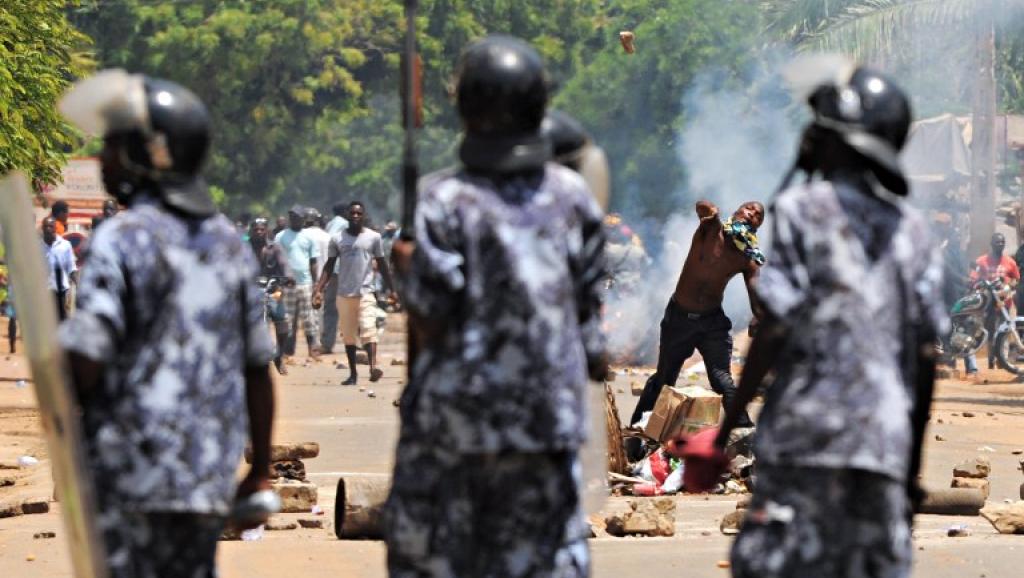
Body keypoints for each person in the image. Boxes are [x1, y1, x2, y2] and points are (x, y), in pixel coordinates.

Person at [384, 35, 604, 577]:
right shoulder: (575, 198)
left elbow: (433, 319)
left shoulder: (443, 199)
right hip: (546, 425)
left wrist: (406, 266)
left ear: (466, 110)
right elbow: (588, 329)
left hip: (457, 428)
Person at [713, 64, 945, 578]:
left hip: (805, 441)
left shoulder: (801, 209)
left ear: (830, 140)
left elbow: (775, 326)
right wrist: (908, 473)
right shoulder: (912, 229)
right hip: (883, 448)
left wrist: (725, 430)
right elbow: (926, 356)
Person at [57, 69, 276, 578]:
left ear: (150, 153)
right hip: (206, 474)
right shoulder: (227, 243)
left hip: (128, 471)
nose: (105, 159)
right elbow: (257, 370)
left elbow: (88, 355)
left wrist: (61, 371)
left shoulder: (121, 238)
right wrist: (261, 470)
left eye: (113, 145)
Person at [628, 200, 763, 428]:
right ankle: (636, 434)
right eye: (749, 208)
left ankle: (744, 435)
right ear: (736, 212)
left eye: (758, 215)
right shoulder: (711, 230)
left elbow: (756, 295)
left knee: (723, 381)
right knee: (664, 380)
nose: (752, 214)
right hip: (679, 318)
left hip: (712, 323)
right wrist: (710, 212)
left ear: (758, 226)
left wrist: (759, 316)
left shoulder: (748, 258)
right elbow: (702, 206)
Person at [313, 201, 394, 384]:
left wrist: (392, 290)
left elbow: (382, 264)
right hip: (344, 294)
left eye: (359, 213)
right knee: (349, 335)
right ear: (347, 216)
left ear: (363, 215)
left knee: (368, 329)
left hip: (365, 291)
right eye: (353, 213)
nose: (356, 216)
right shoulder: (337, 239)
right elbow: (329, 266)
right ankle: (353, 374)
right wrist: (318, 289)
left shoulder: (374, 238)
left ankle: (373, 367)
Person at [965, 232, 1020, 375]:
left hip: (1004, 303)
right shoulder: (982, 261)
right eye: (997, 242)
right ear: (991, 244)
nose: (1000, 245)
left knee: (1005, 330)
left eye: (1002, 242)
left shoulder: (1010, 262)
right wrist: (978, 285)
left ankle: (1002, 361)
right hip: (987, 303)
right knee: (990, 331)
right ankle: (990, 360)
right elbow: (973, 278)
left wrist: (1009, 287)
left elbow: (1016, 278)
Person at [275, 205, 321, 362]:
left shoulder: (309, 237)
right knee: (288, 319)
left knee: (309, 318)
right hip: (287, 285)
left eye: (299, 217)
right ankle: (287, 352)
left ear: (303, 219)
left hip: (306, 283)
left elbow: (313, 261)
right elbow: (276, 260)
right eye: (293, 217)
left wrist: (316, 284)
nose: (296, 220)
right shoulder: (281, 237)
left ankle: (313, 350)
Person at [250, 217, 292, 375]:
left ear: (267, 230)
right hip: (251, 289)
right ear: (251, 231)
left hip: (272, 287)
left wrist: (287, 277)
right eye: (256, 229)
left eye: (262, 229)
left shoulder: (274, 248)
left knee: (281, 321)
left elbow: (284, 265)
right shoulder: (245, 247)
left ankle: (279, 356)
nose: (259, 232)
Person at [302, 208, 335, 353]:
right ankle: (325, 341)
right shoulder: (327, 236)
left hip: (308, 278)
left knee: (311, 312)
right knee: (324, 311)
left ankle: (314, 342)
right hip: (326, 277)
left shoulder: (302, 235)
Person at [41, 216, 77, 320]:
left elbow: (71, 268)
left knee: (61, 322)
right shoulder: (37, 246)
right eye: (46, 226)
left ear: (55, 228)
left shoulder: (65, 245)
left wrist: (78, 283)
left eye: (51, 226)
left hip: (60, 291)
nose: (48, 229)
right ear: (42, 229)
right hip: (43, 292)